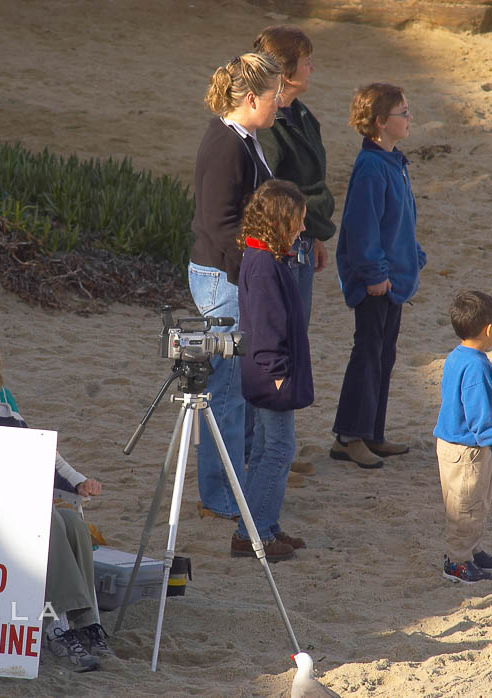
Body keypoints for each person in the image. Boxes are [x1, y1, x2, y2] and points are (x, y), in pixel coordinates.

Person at [0, 338, 113, 672]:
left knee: (71, 522)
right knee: (48, 520)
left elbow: (49, 460)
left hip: (15, 514)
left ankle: (85, 624)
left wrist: (79, 482)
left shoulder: (8, 418)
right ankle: (57, 628)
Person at [189, 52, 283, 520]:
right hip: (223, 278)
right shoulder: (229, 145)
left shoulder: (239, 137)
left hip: (225, 274)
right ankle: (222, 498)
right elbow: (220, 224)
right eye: (274, 96)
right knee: (225, 395)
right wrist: (254, 273)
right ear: (250, 98)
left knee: (233, 392)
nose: (280, 104)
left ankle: (231, 487)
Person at [331, 83, 425, 469]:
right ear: (380, 122)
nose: (410, 118)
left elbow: (401, 220)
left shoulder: (394, 160)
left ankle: (371, 432)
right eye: (403, 113)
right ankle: (348, 436)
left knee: (383, 356)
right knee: (367, 355)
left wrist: (413, 257)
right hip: (377, 282)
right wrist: (374, 273)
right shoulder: (371, 166)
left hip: (395, 279)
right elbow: (361, 227)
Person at [231, 180, 314, 562]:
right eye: (296, 222)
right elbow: (265, 328)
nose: (301, 229)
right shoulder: (264, 265)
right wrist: (278, 373)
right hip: (270, 372)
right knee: (279, 449)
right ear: (279, 223)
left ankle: (263, 525)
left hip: (266, 370)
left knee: (267, 448)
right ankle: (254, 534)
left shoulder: (265, 257)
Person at [253, 25, 335, 328]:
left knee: (297, 332)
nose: (312, 68)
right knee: (284, 336)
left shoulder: (300, 114)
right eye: (306, 61)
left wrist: (312, 235)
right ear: (286, 73)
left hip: (302, 238)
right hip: (283, 245)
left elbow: (313, 177)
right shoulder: (268, 124)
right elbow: (267, 189)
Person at [433, 291, 492, 584]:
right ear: (489, 329)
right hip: (468, 448)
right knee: (466, 506)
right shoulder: (477, 366)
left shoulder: (457, 355)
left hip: (454, 444)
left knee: (474, 503)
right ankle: (456, 561)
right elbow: (478, 410)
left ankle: (471, 550)